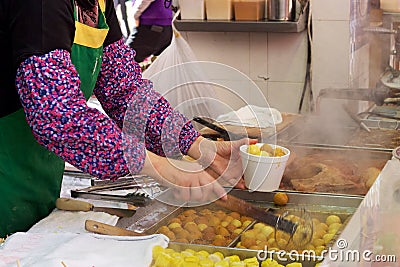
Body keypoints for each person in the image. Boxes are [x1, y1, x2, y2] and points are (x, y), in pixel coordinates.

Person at [0, 0, 253, 237]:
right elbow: (56, 114)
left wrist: (197, 145)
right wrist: (160, 166)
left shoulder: (97, 4)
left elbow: (125, 91)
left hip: (36, 177)